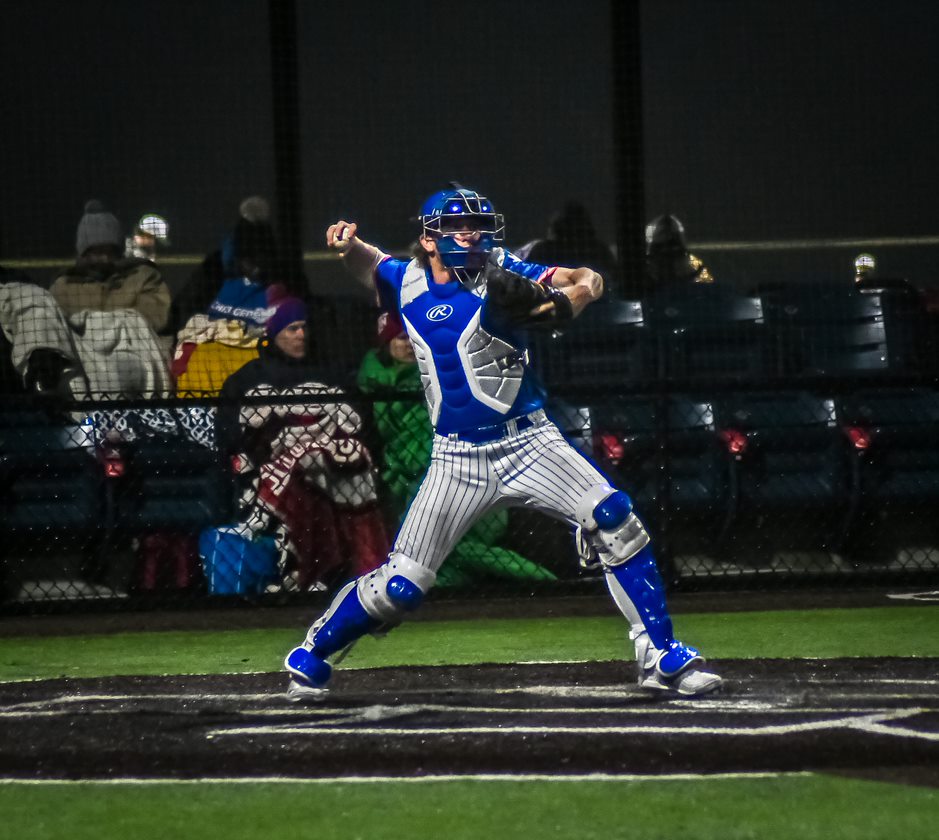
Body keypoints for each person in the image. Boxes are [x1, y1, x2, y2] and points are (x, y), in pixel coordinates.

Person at [283, 184, 722, 701]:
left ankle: (662, 655)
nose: (470, 235)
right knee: (402, 585)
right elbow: (373, 267)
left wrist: (577, 291)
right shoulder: (406, 283)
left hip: (530, 441)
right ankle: (311, 652)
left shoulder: (502, 271)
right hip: (456, 457)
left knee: (614, 519)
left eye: (477, 225)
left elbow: (584, 280)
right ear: (429, 238)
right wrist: (350, 247)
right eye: (457, 227)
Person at [358, 310, 557, 587]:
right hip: (406, 483)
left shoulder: (440, 375)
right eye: (400, 339)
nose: (407, 346)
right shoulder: (370, 385)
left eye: (410, 339)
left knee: (447, 550)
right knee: (435, 560)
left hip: (462, 470)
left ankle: (547, 583)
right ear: (386, 344)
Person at [213, 295, 388, 593]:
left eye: (304, 328)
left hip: (335, 471)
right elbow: (230, 437)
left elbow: (361, 427)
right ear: (274, 332)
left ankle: (362, 571)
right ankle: (311, 572)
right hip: (272, 474)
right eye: (292, 329)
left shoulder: (329, 374)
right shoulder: (247, 379)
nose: (301, 335)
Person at [50, 200, 171, 335]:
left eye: (110, 251)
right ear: (84, 254)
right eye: (98, 251)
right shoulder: (63, 287)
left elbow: (155, 317)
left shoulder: (143, 277)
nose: (105, 258)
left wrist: (92, 324)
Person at [644, 213, 714, 292]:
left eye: (673, 244)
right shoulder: (642, 269)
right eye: (661, 246)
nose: (668, 251)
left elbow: (707, 290)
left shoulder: (694, 263)